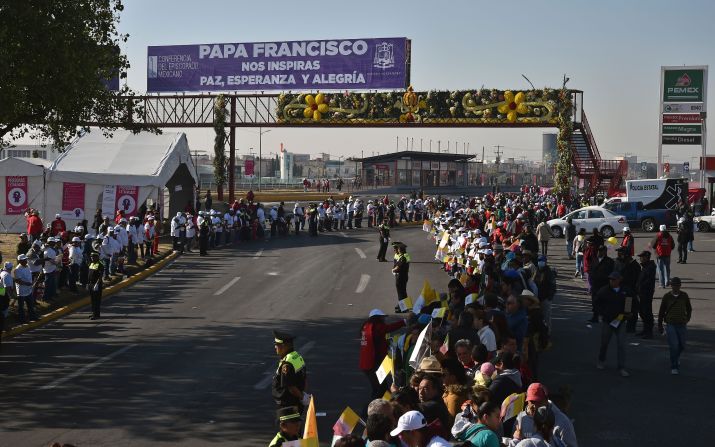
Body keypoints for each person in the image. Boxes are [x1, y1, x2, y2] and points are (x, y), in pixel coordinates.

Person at [359, 309, 407, 398]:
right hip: (373, 364)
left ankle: (381, 406)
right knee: (380, 389)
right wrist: (403, 322)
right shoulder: (376, 326)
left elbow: (376, 340)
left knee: (380, 387)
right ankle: (372, 408)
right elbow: (388, 328)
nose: (383, 320)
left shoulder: (366, 326)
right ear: (377, 318)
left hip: (367, 363)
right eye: (382, 318)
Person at [513, 383, 578, 447]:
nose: (535, 406)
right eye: (532, 402)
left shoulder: (563, 422)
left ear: (546, 400)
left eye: (538, 402)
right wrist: (517, 439)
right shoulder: (521, 418)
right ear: (527, 401)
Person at [595, 271, 633, 377]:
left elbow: (630, 302)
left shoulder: (626, 291)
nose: (611, 281)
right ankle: (601, 359)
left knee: (621, 345)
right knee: (604, 343)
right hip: (608, 321)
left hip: (620, 321)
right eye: (610, 279)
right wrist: (602, 314)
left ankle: (621, 367)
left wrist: (628, 313)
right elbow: (597, 303)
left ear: (619, 280)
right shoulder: (604, 291)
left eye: (614, 279)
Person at [657, 277, 692, 375]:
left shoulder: (684, 295)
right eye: (673, 285)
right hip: (670, 324)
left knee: (682, 345)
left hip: (682, 324)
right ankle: (674, 366)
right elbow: (661, 312)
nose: (675, 287)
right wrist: (660, 325)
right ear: (671, 286)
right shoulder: (667, 297)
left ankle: (676, 357)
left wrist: (687, 318)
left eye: (677, 285)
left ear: (680, 286)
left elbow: (689, 308)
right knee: (674, 345)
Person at [272, 330, 310, 411]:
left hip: (288, 405)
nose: (275, 347)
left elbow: (290, 387)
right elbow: (305, 377)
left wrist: (302, 397)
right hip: (297, 401)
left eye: (277, 345)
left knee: (288, 423)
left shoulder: (287, 364)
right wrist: (304, 395)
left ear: (283, 346)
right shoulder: (296, 356)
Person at [588, 245, 614, 323]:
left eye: (601, 251)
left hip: (603, 285)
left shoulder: (609, 261)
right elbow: (591, 271)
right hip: (595, 285)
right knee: (595, 301)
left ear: (605, 252)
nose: (599, 252)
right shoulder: (594, 260)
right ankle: (595, 316)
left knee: (604, 302)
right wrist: (590, 283)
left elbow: (610, 274)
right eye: (598, 250)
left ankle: (604, 317)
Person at [635, 250, 656, 339]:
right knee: (642, 312)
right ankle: (645, 329)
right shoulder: (645, 267)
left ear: (646, 257)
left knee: (647, 312)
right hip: (642, 293)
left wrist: (641, 287)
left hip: (646, 293)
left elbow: (648, 281)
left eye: (642, 257)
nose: (640, 259)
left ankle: (649, 332)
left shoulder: (650, 267)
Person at [13, 254, 36, 323]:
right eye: (24, 260)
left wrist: (32, 281)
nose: (26, 261)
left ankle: (32, 317)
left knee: (30, 305)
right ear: (20, 261)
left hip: (28, 290)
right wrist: (27, 283)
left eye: (26, 259)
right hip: (22, 292)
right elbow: (17, 280)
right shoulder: (17, 269)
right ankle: (22, 319)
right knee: (21, 307)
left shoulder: (27, 266)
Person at [392, 242, 410, 312]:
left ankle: (402, 308)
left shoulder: (403, 257)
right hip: (404, 275)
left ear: (401, 249)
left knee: (400, 293)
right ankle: (405, 306)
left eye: (398, 248)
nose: (397, 250)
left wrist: (393, 270)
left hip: (400, 276)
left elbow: (398, 266)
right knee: (403, 292)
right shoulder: (405, 255)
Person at [87, 252, 104, 320]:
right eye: (91, 257)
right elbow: (89, 274)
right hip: (91, 284)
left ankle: (97, 314)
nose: (92, 258)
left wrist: (97, 284)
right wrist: (87, 283)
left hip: (96, 284)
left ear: (97, 257)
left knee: (97, 300)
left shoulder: (100, 264)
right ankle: (93, 312)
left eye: (94, 257)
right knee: (92, 299)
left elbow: (100, 275)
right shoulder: (91, 264)